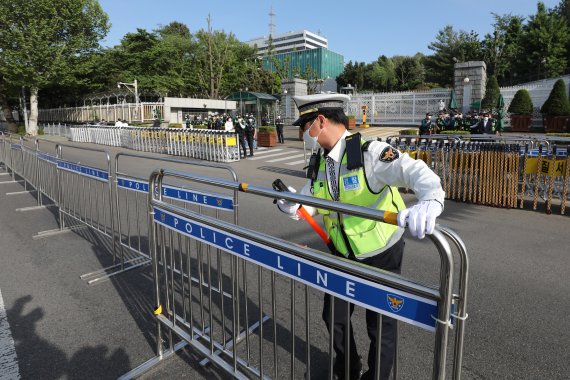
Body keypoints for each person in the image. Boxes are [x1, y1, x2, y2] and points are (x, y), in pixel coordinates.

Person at [276, 94, 445, 380]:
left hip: (381, 253)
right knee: (335, 317)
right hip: (343, 254)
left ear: (320, 121)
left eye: (305, 125)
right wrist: (295, 205)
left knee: (379, 324)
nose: (303, 133)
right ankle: (347, 368)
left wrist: (431, 199)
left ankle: (377, 375)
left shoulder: (369, 152)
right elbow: (315, 199)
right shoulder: (320, 162)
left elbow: (414, 171)